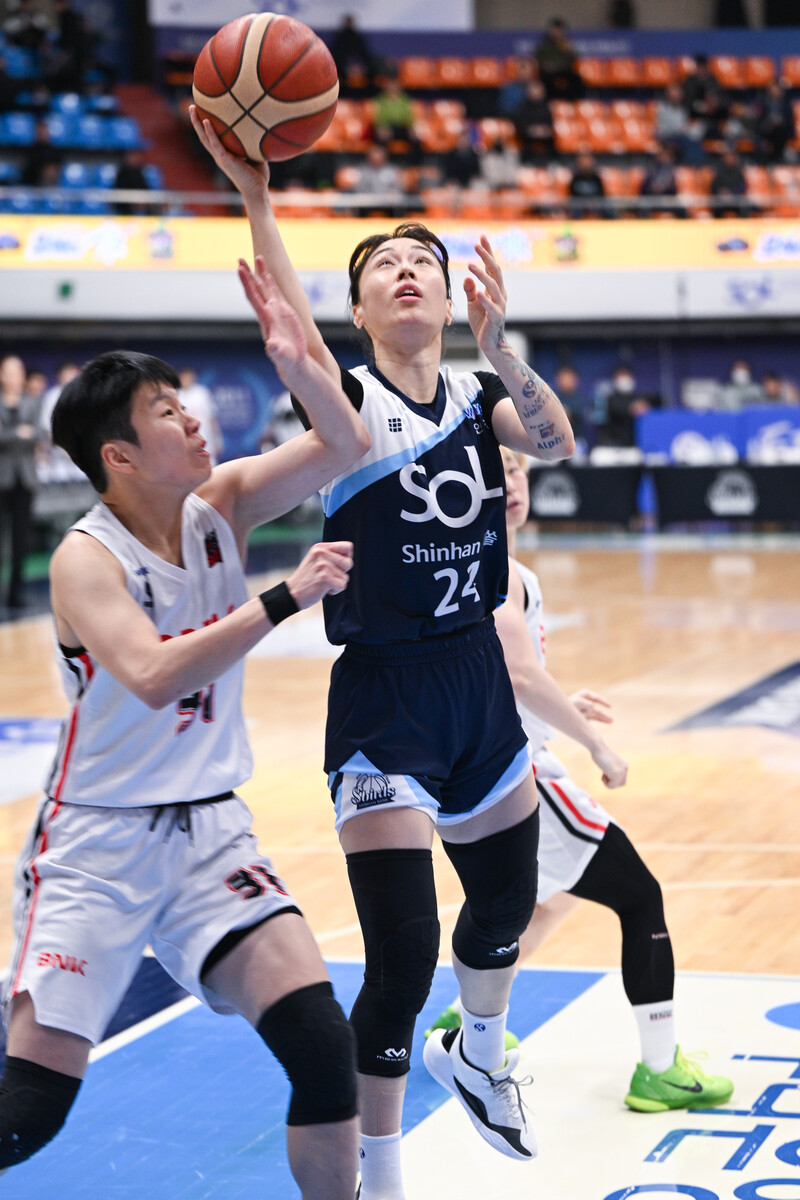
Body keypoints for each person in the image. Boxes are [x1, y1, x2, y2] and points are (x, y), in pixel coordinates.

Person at [191, 105, 574, 1200]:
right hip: (384, 699)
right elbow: (297, 338)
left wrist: (502, 349)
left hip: (475, 680)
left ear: (449, 300)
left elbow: (556, 442)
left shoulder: (480, 395)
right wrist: (257, 198)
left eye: (424, 264)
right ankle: (381, 1178)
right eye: (384, 268)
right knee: (402, 958)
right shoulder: (347, 406)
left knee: (503, 911)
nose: (408, 273)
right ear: (358, 310)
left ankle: (479, 1055)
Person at [0, 261, 372, 1196]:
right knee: (26, 1116)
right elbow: (157, 675)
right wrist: (283, 597)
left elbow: (347, 440)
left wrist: (299, 363)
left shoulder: (223, 505)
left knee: (325, 1051)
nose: (196, 420)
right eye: (167, 412)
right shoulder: (85, 559)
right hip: (97, 846)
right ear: (119, 456)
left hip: (211, 835)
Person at [426, 448, 735, 1114]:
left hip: (494, 761)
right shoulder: (490, 568)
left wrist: (562, 705)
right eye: (496, 475)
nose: (511, 485)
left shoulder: (499, 569)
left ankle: (462, 1021)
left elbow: (506, 676)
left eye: (518, 472)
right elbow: (517, 676)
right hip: (517, 773)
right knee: (640, 896)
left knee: (547, 903)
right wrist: (595, 743)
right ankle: (660, 1070)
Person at [0, 353, 42, 609]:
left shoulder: (31, 402)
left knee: (20, 538)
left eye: (18, 371)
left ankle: (15, 593)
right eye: (9, 371)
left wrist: (10, 435)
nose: (14, 376)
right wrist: (19, 433)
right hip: (2, 478)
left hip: (25, 479)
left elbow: (37, 434)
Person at [596, 364, 659, 447]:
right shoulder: (610, 398)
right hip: (612, 445)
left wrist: (644, 406)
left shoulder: (637, 397)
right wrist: (633, 408)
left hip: (634, 444)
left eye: (626, 376)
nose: (624, 380)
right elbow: (618, 408)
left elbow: (657, 401)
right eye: (621, 376)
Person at [178, 366, 224, 465]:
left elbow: (212, 417)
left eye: (189, 377)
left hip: (204, 438)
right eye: (184, 377)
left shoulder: (202, 393)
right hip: (184, 441)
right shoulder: (176, 395)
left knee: (210, 467)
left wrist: (217, 439)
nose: (186, 380)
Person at [533, 18, 584, 101]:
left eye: (559, 30)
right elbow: (539, 58)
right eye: (554, 29)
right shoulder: (544, 45)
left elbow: (572, 60)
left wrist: (568, 52)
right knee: (546, 79)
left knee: (576, 78)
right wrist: (546, 65)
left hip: (563, 70)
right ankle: (549, 100)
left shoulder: (566, 44)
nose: (556, 32)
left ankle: (575, 101)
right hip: (548, 71)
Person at [710, 147, 750, 217]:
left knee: (745, 208)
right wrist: (721, 191)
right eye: (728, 156)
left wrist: (731, 192)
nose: (730, 158)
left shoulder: (738, 172)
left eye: (732, 156)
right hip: (722, 204)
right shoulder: (719, 172)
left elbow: (742, 188)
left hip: (736, 203)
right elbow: (714, 187)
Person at [569, 152, 608, 219]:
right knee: (575, 211)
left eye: (587, 160)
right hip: (580, 204)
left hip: (595, 203)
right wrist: (584, 202)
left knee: (607, 210)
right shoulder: (576, 178)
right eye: (583, 160)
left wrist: (593, 202)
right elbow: (572, 195)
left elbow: (601, 194)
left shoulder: (596, 178)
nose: (585, 163)